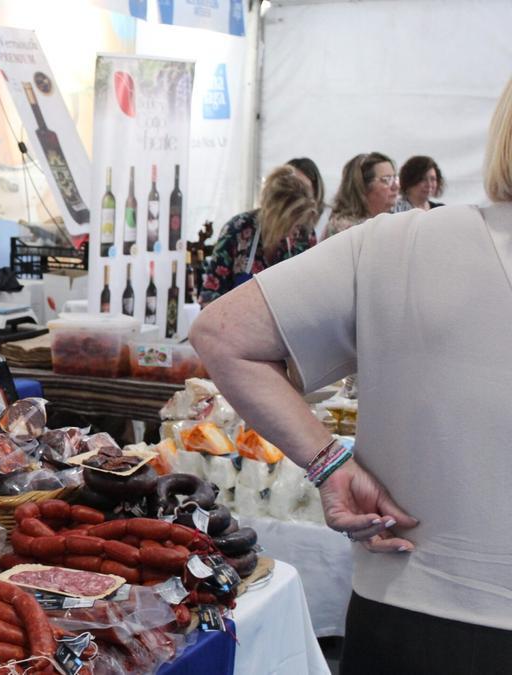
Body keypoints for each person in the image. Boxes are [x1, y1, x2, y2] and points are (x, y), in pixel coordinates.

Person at [189, 77, 512, 674]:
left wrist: (328, 464)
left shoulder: (400, 243)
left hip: (417, 615)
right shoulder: (397, 241)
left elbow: (222, 334)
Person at [198, 165, 318, 307]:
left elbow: (311, 297)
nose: (295, 230)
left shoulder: (305, 237)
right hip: (234, 324)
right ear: (273, 214)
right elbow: (210, 295)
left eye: (299, 224)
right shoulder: (238, 228)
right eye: (291, 222)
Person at [324, 152, 399, 238]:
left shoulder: (390, 222)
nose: (395, 186)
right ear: (362, 186)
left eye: (395, 178)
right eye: (386, 179)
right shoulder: (345, 229)